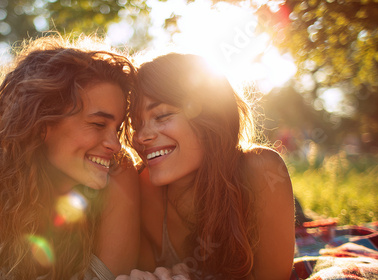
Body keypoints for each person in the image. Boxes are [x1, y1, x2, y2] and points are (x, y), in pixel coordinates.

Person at [0, 36, 140, 279]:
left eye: (117, 127)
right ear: (41, 122)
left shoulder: (119, 173)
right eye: (98, 124)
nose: (115, 145)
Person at [121, 53, 295, 279]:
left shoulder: (262, 170)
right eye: (136, 124)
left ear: (210, 116)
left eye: (162, 116)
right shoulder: (143, 188)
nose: (141, 136)